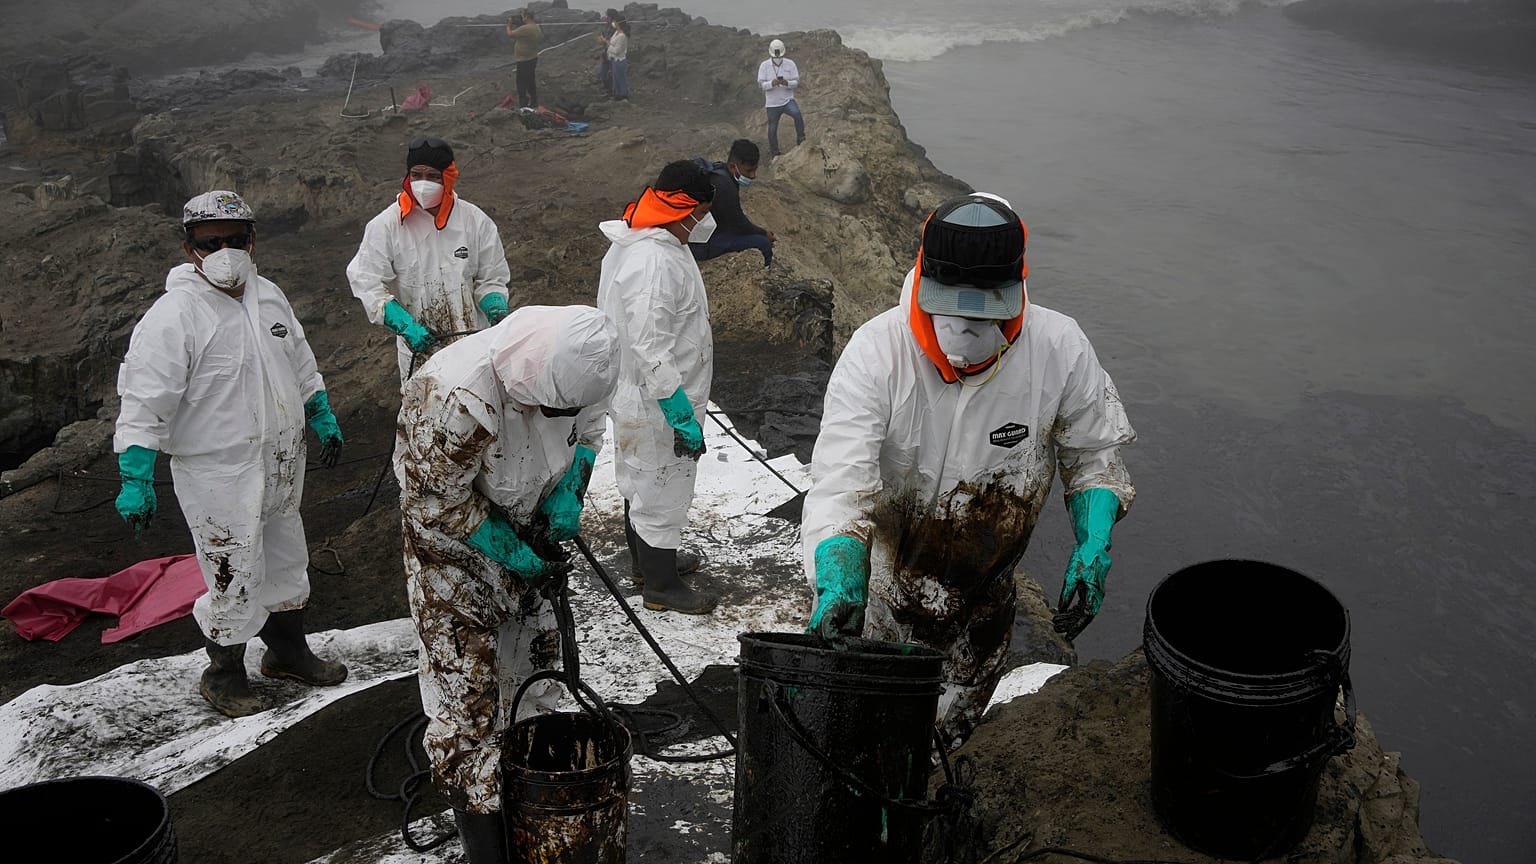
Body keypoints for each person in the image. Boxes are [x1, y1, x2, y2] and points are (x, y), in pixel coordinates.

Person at [800, 193, 1137, 745]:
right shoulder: (877, 353)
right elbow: (842, 484)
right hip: (881, 595)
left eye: (984, 315)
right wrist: (840, 583)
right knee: (865, 733)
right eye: (949, 312)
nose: (963, 332)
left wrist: (1094, 540)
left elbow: (1093, 454)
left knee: (946, 743)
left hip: (981, 606)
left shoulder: (1059, 349)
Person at [396, 304, 619, 864]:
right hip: (456, 557)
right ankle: (487, 847)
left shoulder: (585, 362)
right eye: (550, 405)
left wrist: (575, 482)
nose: (558, 413)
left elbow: (588, 427)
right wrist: (508, 551)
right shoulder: (455, 396)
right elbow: (432, 500)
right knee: (470, 707)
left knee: (536, 683)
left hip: (531, 534)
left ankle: (534, 817)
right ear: (529, 378)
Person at [113, 190, 349, 718]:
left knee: (287, 559)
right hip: (217, 471)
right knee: (232, 567)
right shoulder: (175, 316)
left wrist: (320, 409)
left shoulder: (269, 297)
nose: (225, 250)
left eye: (236, 239)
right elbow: (144, 399)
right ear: (188, 246)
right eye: (210, 241)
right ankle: (224, 673)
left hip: (282, 461)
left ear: (253, 240)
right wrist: (136, 473)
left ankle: (288, 652)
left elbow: (300, 358)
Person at [596, 160, 720, 614]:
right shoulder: (652, 261)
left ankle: (648, 564)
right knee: (662, 487)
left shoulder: (651, 241)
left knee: (641, 483)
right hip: (657, 398)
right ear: (686, 209)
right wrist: (678, 411)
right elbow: (651, 346)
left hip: (642, 392)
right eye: (703, 211)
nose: (706, 222)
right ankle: (661, 586)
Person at [347, 136, 512, 382]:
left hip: (474, 344)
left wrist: (495, 307)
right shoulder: (387, 226)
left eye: (433, 176)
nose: (423, 184)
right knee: (425, 414)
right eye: (416, 175)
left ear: (448, 177)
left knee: (478, 409)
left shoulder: (474, 221)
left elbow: (491, 277)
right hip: (419, 349)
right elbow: (366, 279)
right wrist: (403, 324)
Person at [689, 139, 776, 269]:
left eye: (755, 170)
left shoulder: (718, 171)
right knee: (763, 243)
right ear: (732, 166)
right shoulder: (724, 185)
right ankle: (767, 273)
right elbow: (739, 224)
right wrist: (764, 234)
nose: (753, 175)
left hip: (701, 234)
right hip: (699, 245)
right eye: (749, 170)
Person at [757, 38, 805, 156]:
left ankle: (801, 139)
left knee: (797, 114)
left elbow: (796, 82)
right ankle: (774, 151)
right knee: (772, 127)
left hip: (787, 100)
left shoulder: (790, 64)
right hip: (772, 103)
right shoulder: (764, 66)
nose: (777, 58)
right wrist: (771, 84)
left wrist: (786, 83)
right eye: (776, 56)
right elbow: (761, 85)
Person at [505, 8, 543, 109]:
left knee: (521, 82)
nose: (522, 18)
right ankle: (534, 101)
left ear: (526, 17)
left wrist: (509, 25)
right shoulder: (536, 27)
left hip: (523, 60)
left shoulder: (526, 28)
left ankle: (523, 104)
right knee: (530, 80)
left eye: (522, 16)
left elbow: (510, 34)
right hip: (532, 57)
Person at [597, 16, 630, 101]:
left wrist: (607, 43)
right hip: (613, 59)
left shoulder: (622, 36)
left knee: (620, 79)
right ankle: (618, 94)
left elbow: (616, 51)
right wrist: (604, 40)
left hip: (619, 60)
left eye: (615, 22)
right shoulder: (616, 32)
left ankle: (624, 95)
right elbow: (611, 43)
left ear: (619, 23)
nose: (613, 23)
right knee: (616, 78)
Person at [597, 9, 622, 96]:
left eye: (607, 16)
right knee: (603, 74)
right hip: (606, 53)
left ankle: (616, 93)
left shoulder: (617, 27)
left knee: (613, 74)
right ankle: (609, 91)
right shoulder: (607, 25)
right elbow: (603, 38)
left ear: (611, 17)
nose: (606, 17)